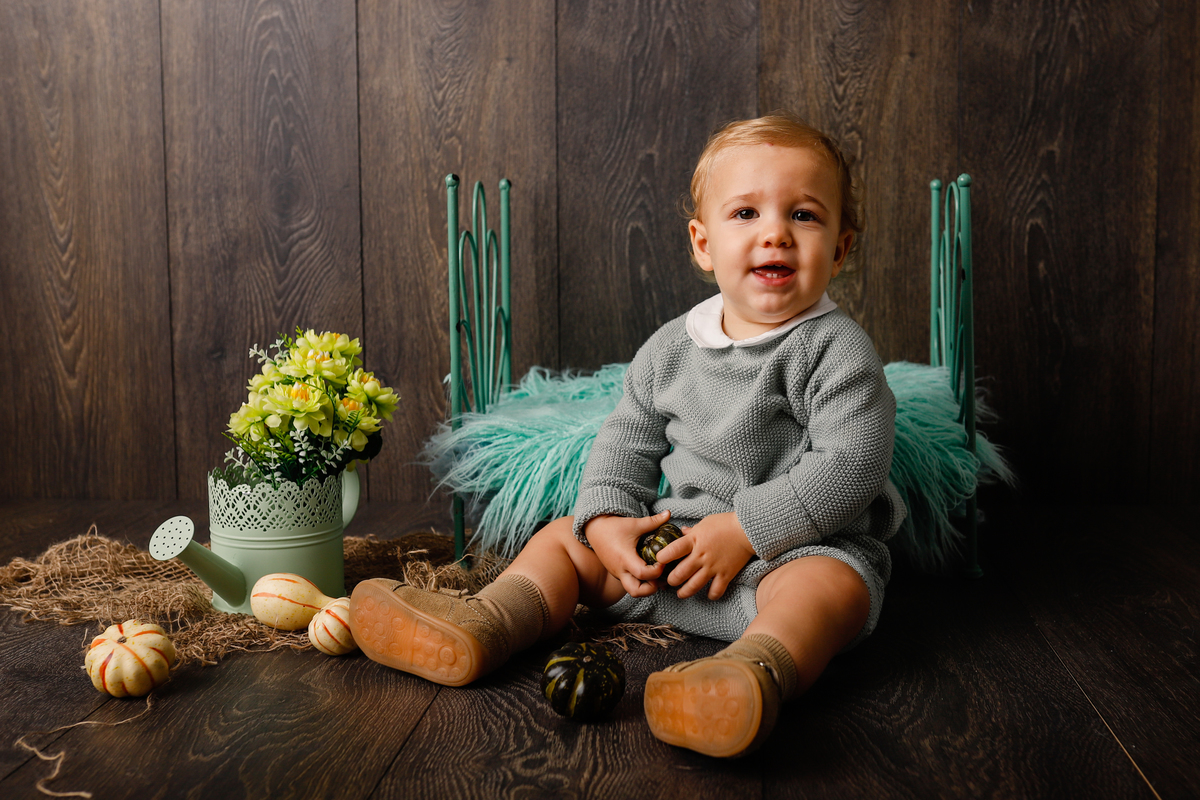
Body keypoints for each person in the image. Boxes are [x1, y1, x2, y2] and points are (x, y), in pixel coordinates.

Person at [349, 114, 906, 758]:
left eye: (804, 216)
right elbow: (624, 441)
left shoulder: (837, 350)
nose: (775, 233)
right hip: (667, 557)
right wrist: (609, 520)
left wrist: (745, 532)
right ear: (703, 244)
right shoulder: (671, 348)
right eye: (746, 213)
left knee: (830, 589)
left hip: (790, 555)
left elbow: (851, 465)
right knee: (563, 539)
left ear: (839, 248)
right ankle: (489, 621)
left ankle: (752, 672)